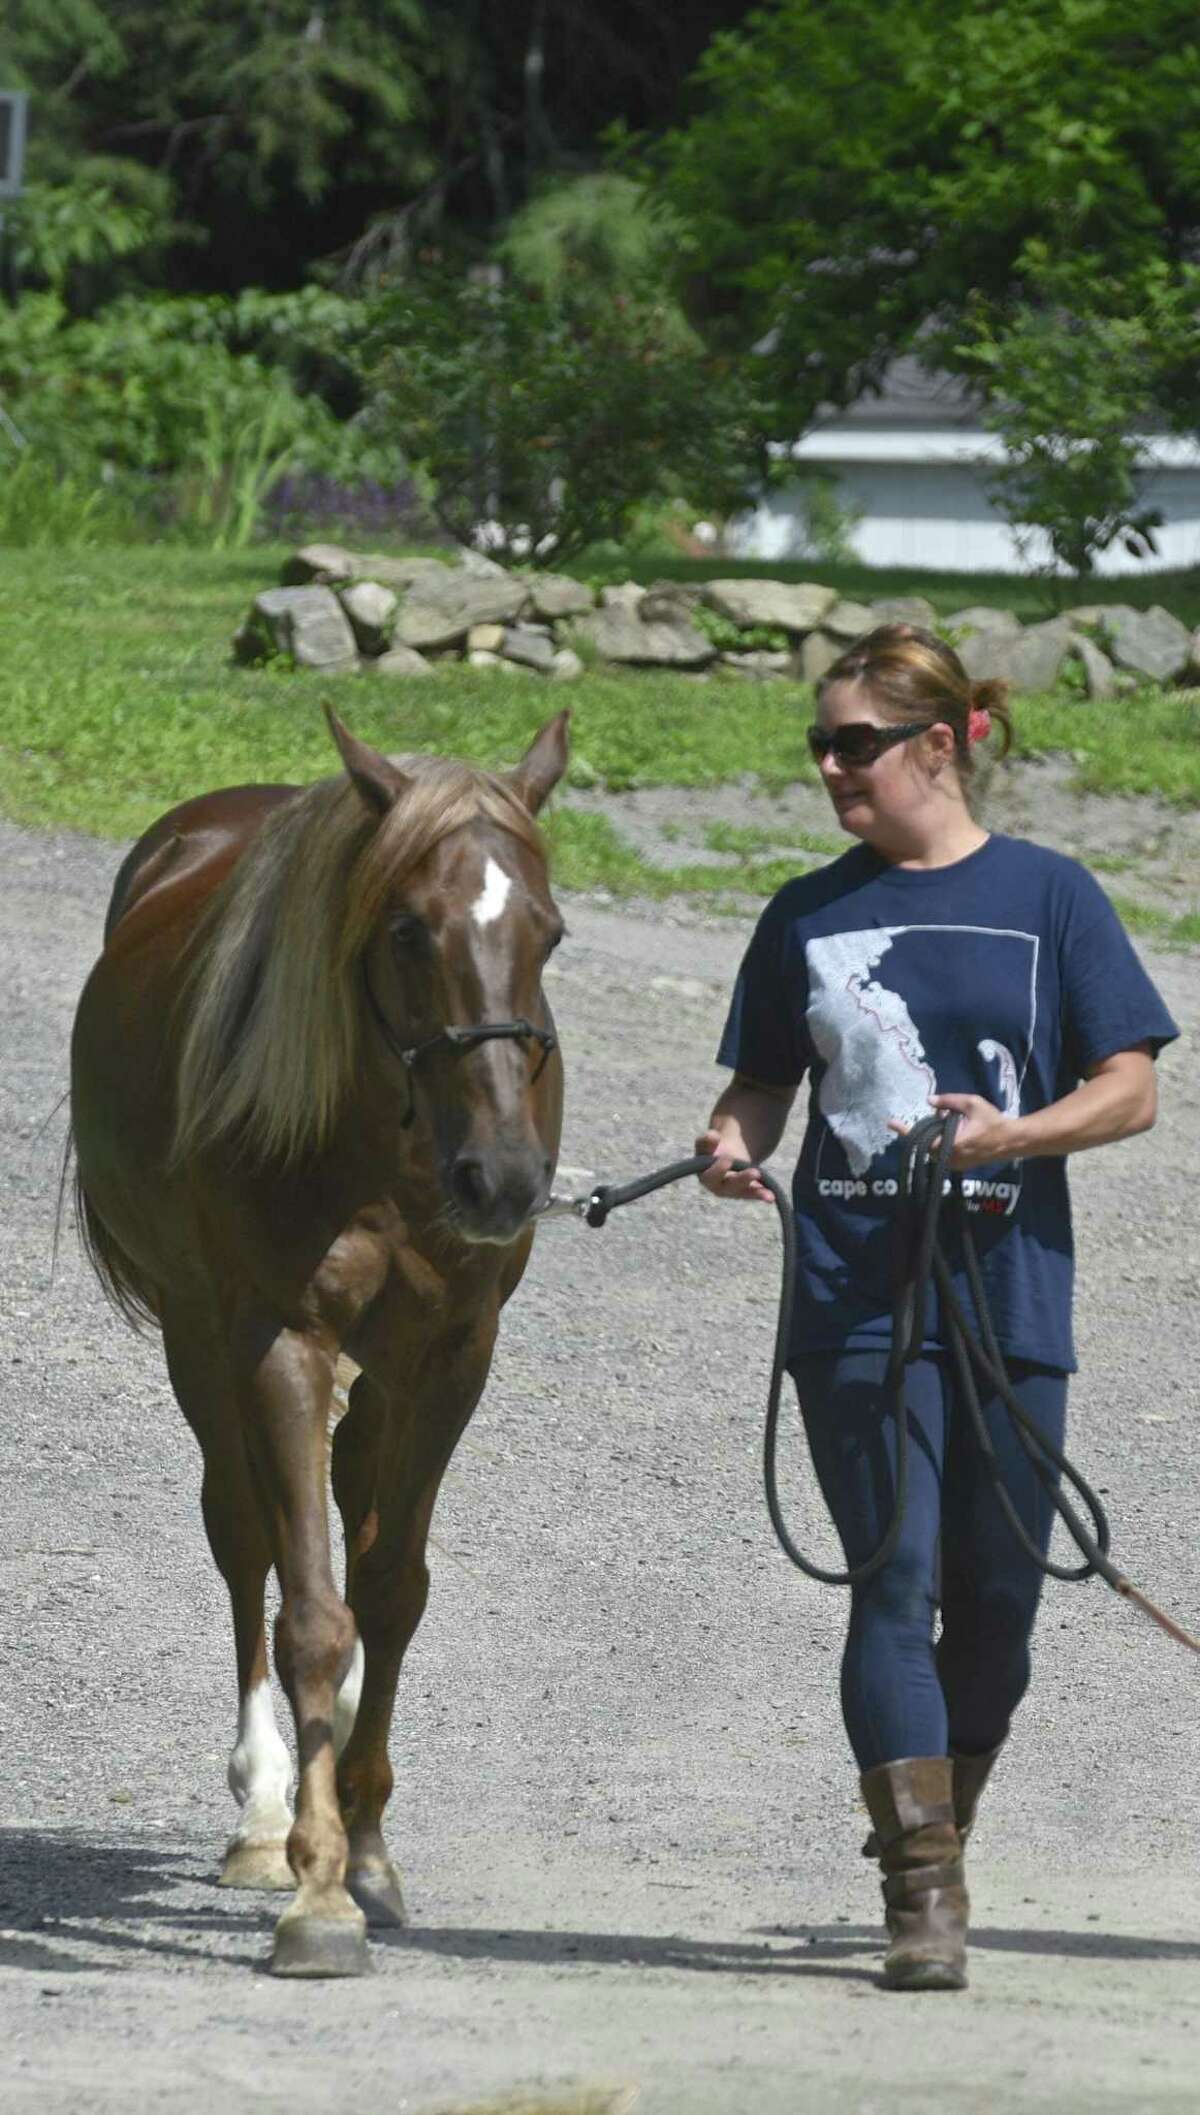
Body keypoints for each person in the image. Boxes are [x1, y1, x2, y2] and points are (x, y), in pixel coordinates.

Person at [698, 624, 1179, 1993]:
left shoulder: (1052, 896)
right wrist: (731, 1138)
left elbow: (1130, 1087)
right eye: (820, 746)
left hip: (1009, 1291)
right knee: (892, 1584)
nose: (831, 769)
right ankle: (925, 1897)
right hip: (852, 1294)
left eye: (854, 743)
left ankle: (939, 1823)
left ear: (939, 743)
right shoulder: (806, 912)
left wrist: (1011, 1139)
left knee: (1004, 1607)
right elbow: (763, 1085)